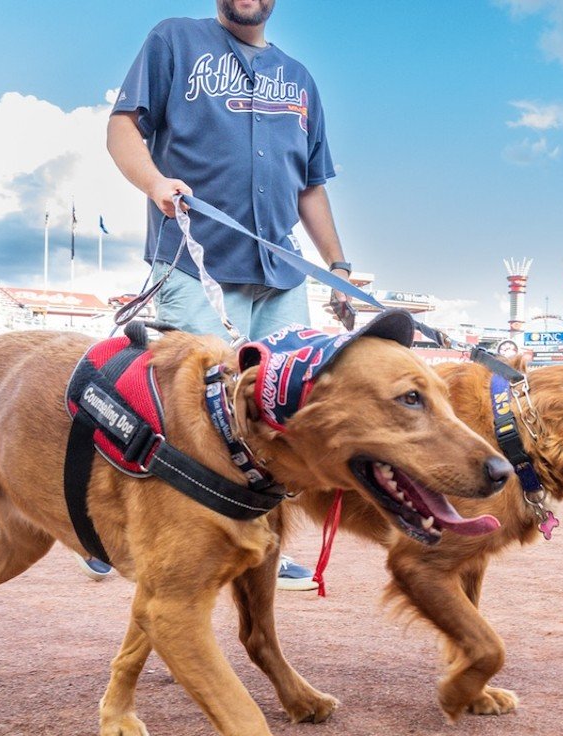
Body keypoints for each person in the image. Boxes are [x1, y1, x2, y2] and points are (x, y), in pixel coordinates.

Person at [107, 0, 350, 591]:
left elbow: (311, 187)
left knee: (283, 416)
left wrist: (339, 266)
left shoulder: (299, 78)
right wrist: (155, 182)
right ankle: (133, 538)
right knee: (193, 415)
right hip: (195, 259)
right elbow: (122, 127)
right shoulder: (174, 39)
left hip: (281, 272)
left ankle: (264, 548)